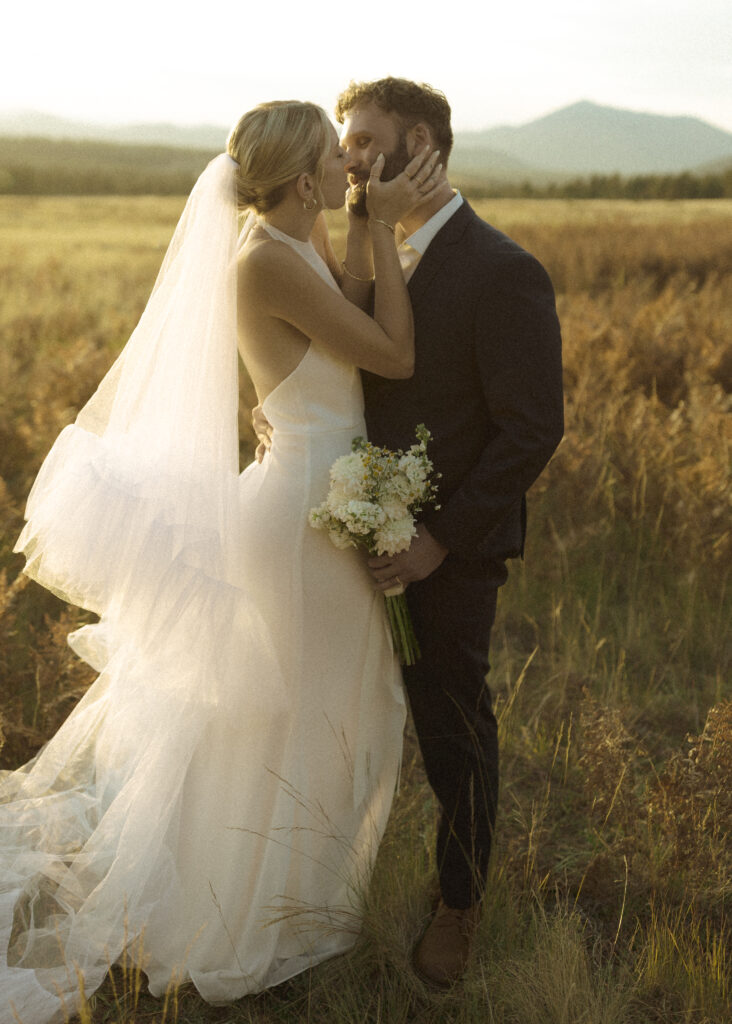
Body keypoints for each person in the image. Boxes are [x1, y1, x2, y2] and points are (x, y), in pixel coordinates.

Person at [0, 100, 442, 1023]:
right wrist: (393, 228)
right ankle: (234, 915)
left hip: (322, 497)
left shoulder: (297, 244)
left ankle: (295, 901)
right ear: (298, 179)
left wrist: (364, 227)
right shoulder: (264, 262)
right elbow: (392, 351)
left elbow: (356, 307)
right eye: (335, 157)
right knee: (289, 714)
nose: (348, 168)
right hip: (301, 521)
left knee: (323, 702)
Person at [334, 78, 564, 986]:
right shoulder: (378, 250)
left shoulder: (502, 269)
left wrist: (441, 541)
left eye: (363, 140)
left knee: (454, 731)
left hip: (448, 557)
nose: (350, 156)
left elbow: (531, 427)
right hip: (355, 532)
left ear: (418, 142)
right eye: (346, 143)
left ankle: (459, 904)